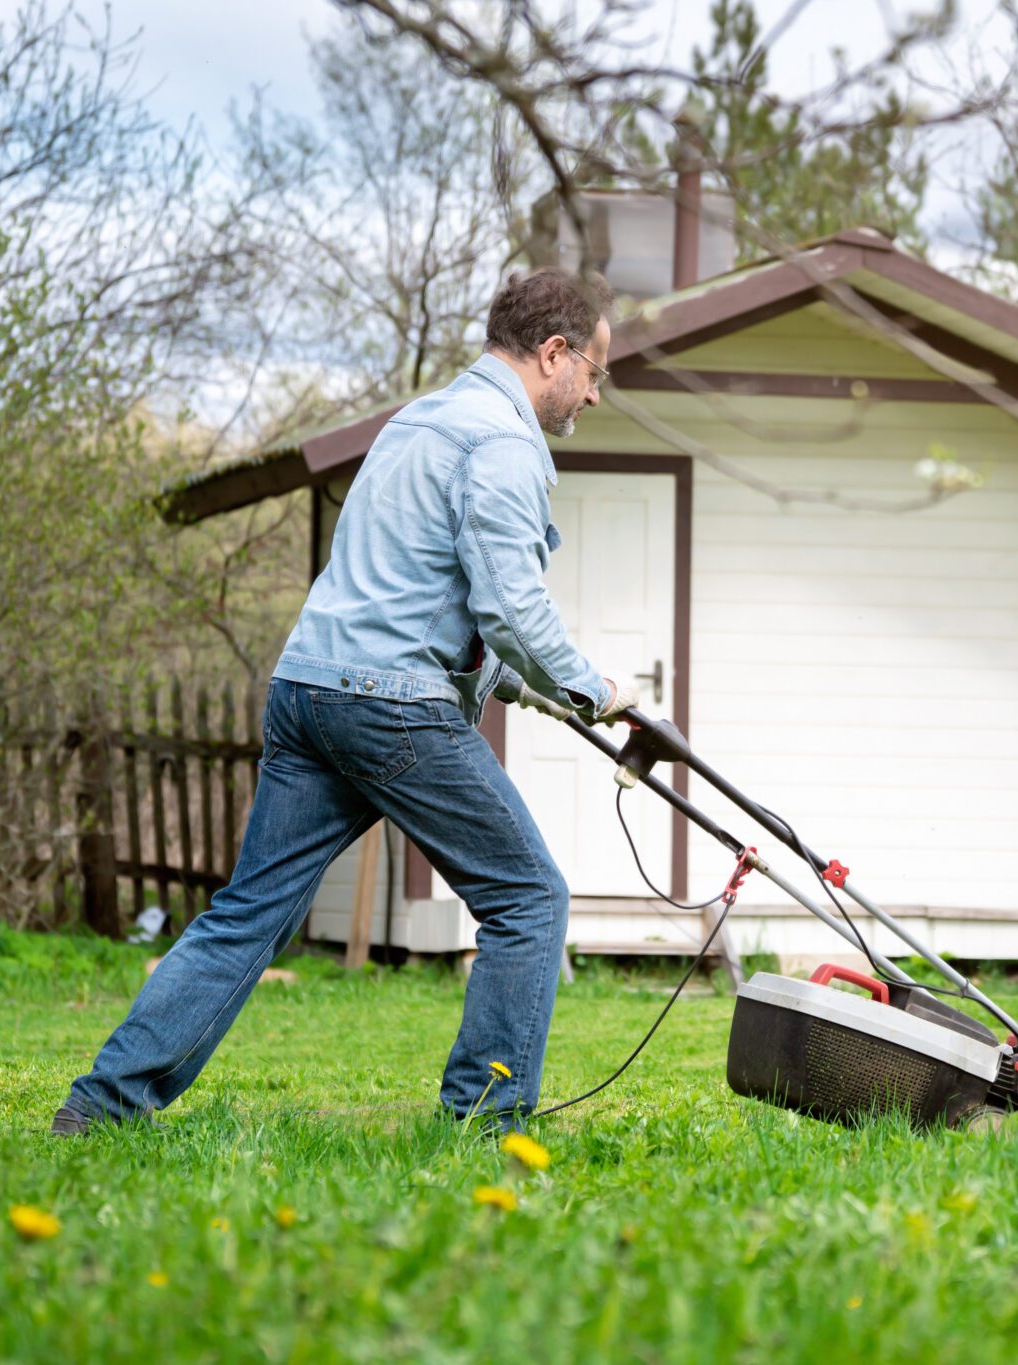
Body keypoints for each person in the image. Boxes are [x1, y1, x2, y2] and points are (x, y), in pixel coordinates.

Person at [53, 268, 633, 1136]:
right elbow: (510, 609)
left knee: (248, 913)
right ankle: (484, 1123)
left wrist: (541, 697)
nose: (596, 390)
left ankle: (98, 1106)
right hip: (390, 705)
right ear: (554, 353)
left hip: (308, 690)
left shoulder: (418, 423)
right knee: (529, 896)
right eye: (595, 369)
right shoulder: (504, 444)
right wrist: (595, 687)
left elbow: (424, 598)